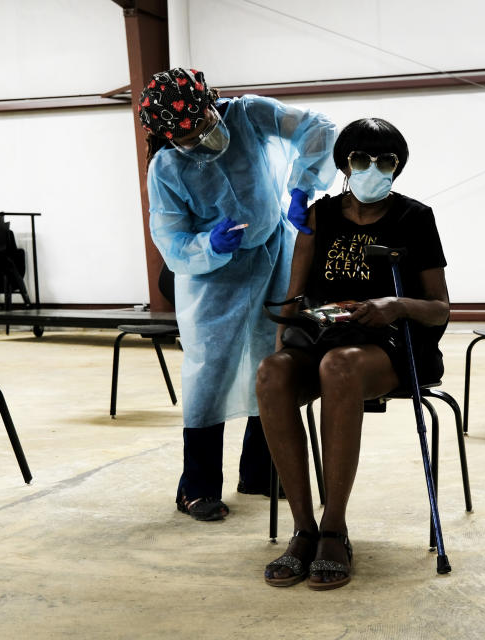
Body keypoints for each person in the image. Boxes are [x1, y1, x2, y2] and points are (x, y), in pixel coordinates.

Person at [255, 118, 450, 590]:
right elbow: (293, 297)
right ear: (345, 163)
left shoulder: (414, 218)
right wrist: (294, 335)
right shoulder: (320, 216)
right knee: (271, 373)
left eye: (386, 161)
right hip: (325, 337)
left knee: (337, 367)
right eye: (361, 160)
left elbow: (440, 308)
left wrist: (395, 305)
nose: (373, 170)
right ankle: (302, 528)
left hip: (389, 346)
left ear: (398, 166)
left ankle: (334, 530)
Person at [138, 68, 337, 521]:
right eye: (185, 139)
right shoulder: (166, 167)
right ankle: (196, 487)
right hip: (214, 280)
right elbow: (170, 238)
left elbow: (317, 128)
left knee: (270, 361)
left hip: (274, 256)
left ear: (212, 103)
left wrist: (303, 186)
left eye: (203, 128)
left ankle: (260, 471)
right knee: (209, 375)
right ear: (168, 137)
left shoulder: (249, 115)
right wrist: (209, 245)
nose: (198, 142)